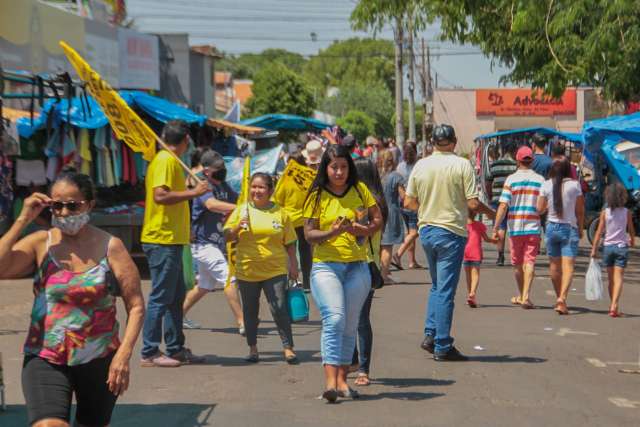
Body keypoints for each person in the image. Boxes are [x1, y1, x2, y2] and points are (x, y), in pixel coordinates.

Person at [0, 172, 145, 427]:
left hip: (99, 359)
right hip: (45, 356)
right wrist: (23, 219)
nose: (64, 213)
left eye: (72, 205)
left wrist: (124, 354)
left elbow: (135, 306)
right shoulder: (41, 243)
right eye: (57, 205)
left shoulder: (111, 247)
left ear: (89, 204)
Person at [404, 124, 494, 361]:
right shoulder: (461, 164)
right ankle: (442, 345)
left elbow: (409, 202)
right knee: (445, 290)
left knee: (436, 286)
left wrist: (428, 208)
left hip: (427, 231)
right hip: (451, 232)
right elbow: (473, 204)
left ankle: (431, 334)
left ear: (433, 142)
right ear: (453, 142)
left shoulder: (421, 166)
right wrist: (492, 214)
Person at [303, 144, 383, 402]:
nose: (339, 172)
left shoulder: (360, 190)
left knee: (350, 325)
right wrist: (333, 232)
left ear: (350, 167)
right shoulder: (316, 195)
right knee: (334, 319)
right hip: (326, 266)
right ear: (325, 169)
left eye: (343, 167)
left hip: (358, 266)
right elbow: (309, 235)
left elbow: (378, 219)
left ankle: (342, 382)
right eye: (334, 167)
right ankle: (329, 382)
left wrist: (363, 230)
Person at [140, 120, 208, 367]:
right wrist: (194, 193)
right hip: (162, 239)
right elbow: (161, 196)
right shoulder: (166, 161)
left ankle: (175, 347)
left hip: (173, 238)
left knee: (176, 296)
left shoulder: (169, 161)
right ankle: (149, 351)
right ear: (186, 141)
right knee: (161, 297)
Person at [225, 173, 299, 363]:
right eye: (253, 187)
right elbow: (227, 236)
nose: (256, 191)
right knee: (250, 312)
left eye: (261, 187)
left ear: (270, 191)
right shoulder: (242, 211)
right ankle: (253, 348)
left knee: (279, 308)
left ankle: (288, 347)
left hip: (275, 269)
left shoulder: (280, 213)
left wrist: (294, 264)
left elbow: (290, 242)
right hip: (247, 270)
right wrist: (236, 229)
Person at [183, 150, 245, 332]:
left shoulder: (224, 186)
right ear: (207, 171)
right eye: (218, 168)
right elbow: (212, 205)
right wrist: (238, 208)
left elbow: (240, 198)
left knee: (204, 286)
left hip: (216, 244)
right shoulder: (203, 186)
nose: (222, 171)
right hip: (203, 244)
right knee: (229, 278)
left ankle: (176, 316)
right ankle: (242, 321)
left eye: (223, 167)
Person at [350, 158, 388, 387]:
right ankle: (357, 363)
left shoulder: (365, 202)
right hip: (366, 263)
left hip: (360, 263)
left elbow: (360, 236)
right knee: (356, 318)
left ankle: (361, 367)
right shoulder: (379, 201)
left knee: (359, 319)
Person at [493, 146, 545, 309]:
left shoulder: (511, 180)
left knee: (517, 263)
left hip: (515, 228)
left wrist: (495, 226)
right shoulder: (540, 180)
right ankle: (526, 296)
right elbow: (543, 207)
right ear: (532, 161)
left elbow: (503, 205)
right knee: (530, 261)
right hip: (533, 227)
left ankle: (522, 295)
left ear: (518, 160)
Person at [537, 158, 585, 314]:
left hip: (551, 227)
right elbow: (580, 210)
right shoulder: (574, 185)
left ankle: (560, 298)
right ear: (567, 170)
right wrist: (581, 227)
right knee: (568, 267)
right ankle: (562, 298)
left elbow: (540, 209)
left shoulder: (546, 185)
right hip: (569, 228)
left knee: (554, 266)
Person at [276, 141, 321, 291]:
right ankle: (308, 282)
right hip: (306, 220)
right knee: (306, 252)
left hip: (289, 220)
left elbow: (277, 198)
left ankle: (292, 281)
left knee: (289, 252)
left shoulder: (285, 179)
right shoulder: (310, 178)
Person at [590, 183, 636, 317]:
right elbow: (631, 229)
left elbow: (598, 232)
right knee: (619, 277)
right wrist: (632, 239)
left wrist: (594, 249)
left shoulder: (605, 212)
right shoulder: (627, 212)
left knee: (611, 279)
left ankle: (612, 305)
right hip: (621, 248)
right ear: (623, 197)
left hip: (608, 248)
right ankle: (614, 305)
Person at [486, 143, 517, 265]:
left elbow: (488, 183)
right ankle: (516, 255)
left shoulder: (495, 164)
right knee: (513, 228)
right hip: (512, 200)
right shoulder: (515, 165)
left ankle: (500, 256)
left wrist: (490, 196)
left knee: (501, 227)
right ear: (514, 152)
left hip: (497, 200)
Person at [394, 141, 422, 269]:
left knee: (410, 233)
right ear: (415, 151)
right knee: (415, 232)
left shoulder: (400, 166)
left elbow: (398, 185)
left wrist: (403, 198)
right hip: (414, 202)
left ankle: (412, 261)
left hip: (403, 202)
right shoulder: (419, 165)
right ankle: (398, 254)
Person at [379, 150, 405, 284]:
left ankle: (379, 273)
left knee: (378, 244)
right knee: (387, 246)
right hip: (391, 211)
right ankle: (383, 276)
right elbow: (403, 197)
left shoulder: (377, 174)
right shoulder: (395, 176)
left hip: (376, 211)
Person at [463, 210, 498, 308]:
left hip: (465, 252)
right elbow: (486, 238)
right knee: (475, 274)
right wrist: (494, 241)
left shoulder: (462, 225)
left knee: (468, 275)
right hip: (476, 252)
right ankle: (472, 294)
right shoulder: (479, 225)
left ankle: (470, 294)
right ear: (476, 214)